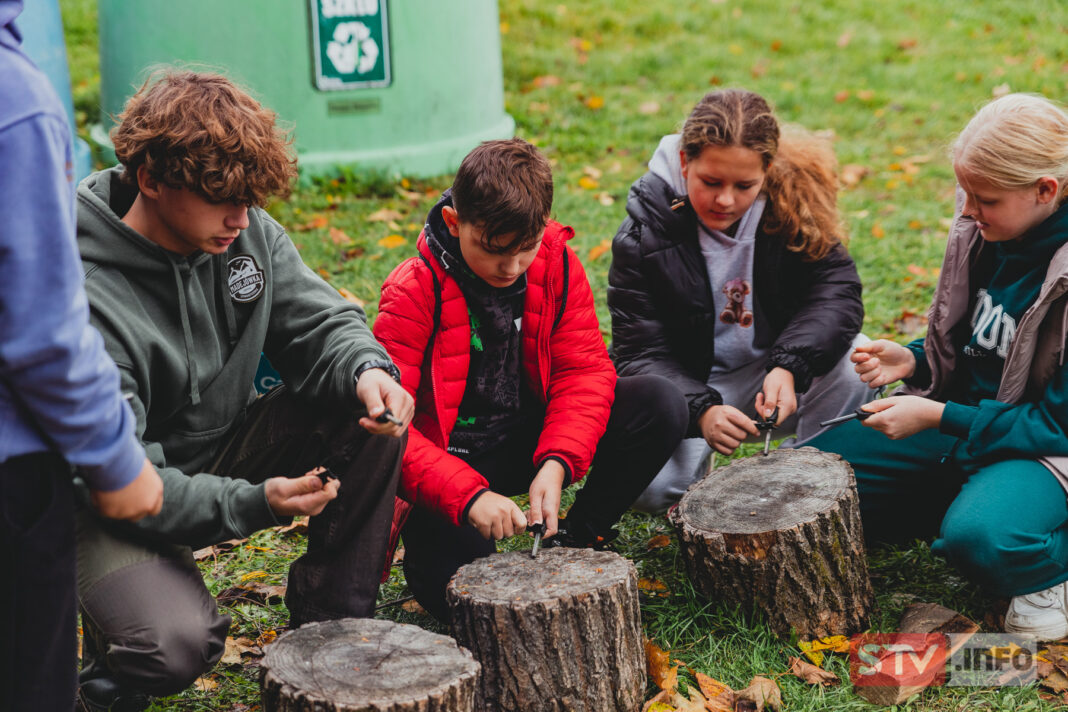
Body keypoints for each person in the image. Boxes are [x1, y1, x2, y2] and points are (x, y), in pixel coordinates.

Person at [73, 70, 412, 710]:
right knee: (173, 646)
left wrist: (369, 371)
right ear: (150, 179)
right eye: (221, 199)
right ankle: (105, 684)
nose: (241, 218)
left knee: (368, 410)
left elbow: (319, 323)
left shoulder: (243, 230)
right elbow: (129, 479)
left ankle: (327, 644)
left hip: (217, 447)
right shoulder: (85, 295)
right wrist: (257, 502)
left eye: (250, 200)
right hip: (115, 492)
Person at [373, 138, 687, 620]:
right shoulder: (413, 290)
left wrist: (557, 461)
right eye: (493, 250)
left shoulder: (556, 262)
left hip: (527, 435)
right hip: (449, 460)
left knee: (659, 403)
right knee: (462, 599)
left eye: (526, 248)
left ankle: (578, 537)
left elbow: (583, 371)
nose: (511, 267)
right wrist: (468, 496)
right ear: (455, 223)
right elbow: (390, 431)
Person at [810, 93, 1068, 640]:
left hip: (1046, 448)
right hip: (971, 423)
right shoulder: (996, 230)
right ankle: (969, 497)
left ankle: (1041, 561)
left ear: (1046, 190)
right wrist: (915, 358)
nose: (968, 211)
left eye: (986, 199)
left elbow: (1056, 425)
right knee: (818, 478)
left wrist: (938, 417)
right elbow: (985, 345)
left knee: (983, 539)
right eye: (965, 193)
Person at [0, 2, 163, 710]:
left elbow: (318, 316)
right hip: (14, 474)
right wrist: (114, 458)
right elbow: (42, 331)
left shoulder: (251, 242)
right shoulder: (14, 100)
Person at [608, 88, 871, 513]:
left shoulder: (792, 203)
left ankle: (811, 476)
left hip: (772, 374)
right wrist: (701, 410)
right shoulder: (643, 234)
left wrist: (789, 364)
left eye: (744, 185)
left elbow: (835, 293)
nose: (725, 199)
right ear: (684, 162)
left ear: (767, 170)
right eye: (710, 182)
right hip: (691, 382)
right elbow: (640, 352)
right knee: (649, 492)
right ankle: (698, 473)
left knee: (857, 359)